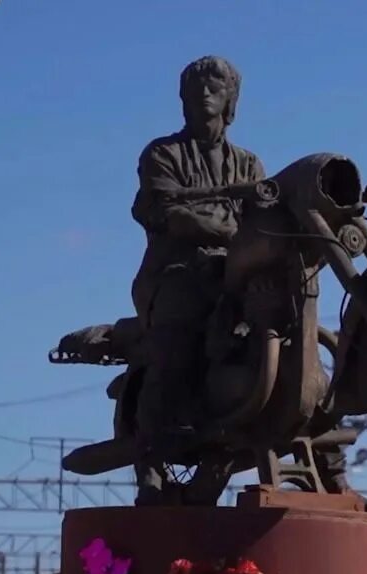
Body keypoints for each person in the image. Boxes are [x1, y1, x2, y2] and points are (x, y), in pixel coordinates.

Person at [130, 55, 265, 501]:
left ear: (231, 100)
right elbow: (170, 213)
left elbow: (266, 218)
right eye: (195, 89)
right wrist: (227, 230)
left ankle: (328, 457)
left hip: (238, 273)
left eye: (214, 87)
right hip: (177, 273)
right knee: (176, 336)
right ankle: (150, 464)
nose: (204, 94)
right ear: (183, 99)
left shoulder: (249, 164)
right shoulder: (162, 154)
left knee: (287, 319)